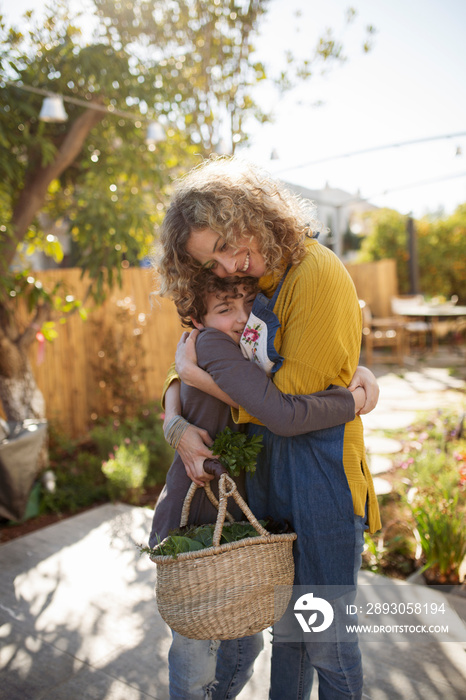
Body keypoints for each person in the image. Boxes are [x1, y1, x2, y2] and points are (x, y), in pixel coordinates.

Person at [155, 156, 382, 700]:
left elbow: (289, 404)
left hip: (321, 477)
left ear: (252, 213)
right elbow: (192, 355)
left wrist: (199, 378)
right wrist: (175, 413)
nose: (231, 266)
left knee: (323, 639)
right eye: (215, 261)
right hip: (269, 477)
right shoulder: (253, 283)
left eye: (230, 246)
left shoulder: (316, 276)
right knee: (289, 637)